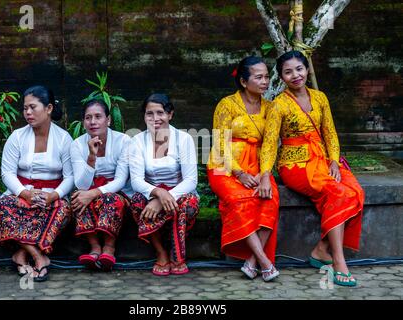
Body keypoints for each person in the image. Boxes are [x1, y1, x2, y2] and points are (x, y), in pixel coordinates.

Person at [257, 50, 365, 287]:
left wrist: (334, 161)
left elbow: (330, 133)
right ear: (282, 77)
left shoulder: (320, 98)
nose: (295, 75)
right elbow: (269, 144)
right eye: (288, 72)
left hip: (324, 160)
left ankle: (321, 249)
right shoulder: (278, 105)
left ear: (307, 70)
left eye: (299, 69)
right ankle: (338, 261)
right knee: (337, 193)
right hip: (295, 164)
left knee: (355, 191)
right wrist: (265, 174)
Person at [206, 56, 280, 282]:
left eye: (267, 76)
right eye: (259, 77)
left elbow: (270, 143)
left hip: (258, 166)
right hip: (224, 166)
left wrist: (265, 174)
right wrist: (238, 172)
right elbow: (219, 143)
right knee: (241, 199)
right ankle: (265, 262)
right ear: (244, 82)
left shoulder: (271, 107)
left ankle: (252, 262)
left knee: (271, 197)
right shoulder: (227, 104)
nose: (265, 81)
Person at [0, 85, 74, 282]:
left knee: (62, 209)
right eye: (25, 108)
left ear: (48, 108)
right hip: (21, 192)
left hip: (51, 194)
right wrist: (24, 193)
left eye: (33, 107)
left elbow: (70, 177)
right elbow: (7, 173)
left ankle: (21, 254)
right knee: (4, 205)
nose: (28, 113)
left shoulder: (64, 138)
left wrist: (53, 196)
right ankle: (39, 256)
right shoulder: (17, 137)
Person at [129, 93, 199, 276]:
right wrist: (157, 194)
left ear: (170, 115)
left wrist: (165, 198)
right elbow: (136, 181)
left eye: (160, 113)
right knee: (136, 201)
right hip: (151, 194)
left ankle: (177, 256)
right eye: (149, 114)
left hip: (180, 193)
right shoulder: (137, 141)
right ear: (144, 117)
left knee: (188, 203)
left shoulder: (184, 139)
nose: (155, 119)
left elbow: (191, 180)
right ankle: (160, 253)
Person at [70, 98, 133, 271]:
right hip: (88, 191)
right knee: (77, 198)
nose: (93, 122)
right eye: (88, 117)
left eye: (98, 116)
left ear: (109, 120)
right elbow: (81, 184)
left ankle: (109, 248)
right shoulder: (77, 145)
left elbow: (120, 180)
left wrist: (93, 193)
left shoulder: (123, 141)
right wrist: (91, 156)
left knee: (111, 200)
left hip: (118, 193)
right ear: (83, 122)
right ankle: (95, 247)